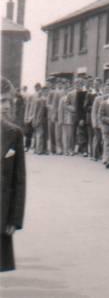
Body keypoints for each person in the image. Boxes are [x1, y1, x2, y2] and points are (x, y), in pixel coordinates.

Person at [1, 87, 26, 272]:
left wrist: (14, 219)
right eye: (2, 101)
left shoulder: (14, 133)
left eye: (8, 101)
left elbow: (19, 181)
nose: (7, 106)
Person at [29, 87, 48, 155]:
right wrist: (37, 120)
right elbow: (38, 112)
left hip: (39, 119)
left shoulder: (37, 100)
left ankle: (37, 149)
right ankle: (39, 150)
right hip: (39, 119)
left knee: (38, 135)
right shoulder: (41, 100)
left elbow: (34, 111)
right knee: (40, 134)